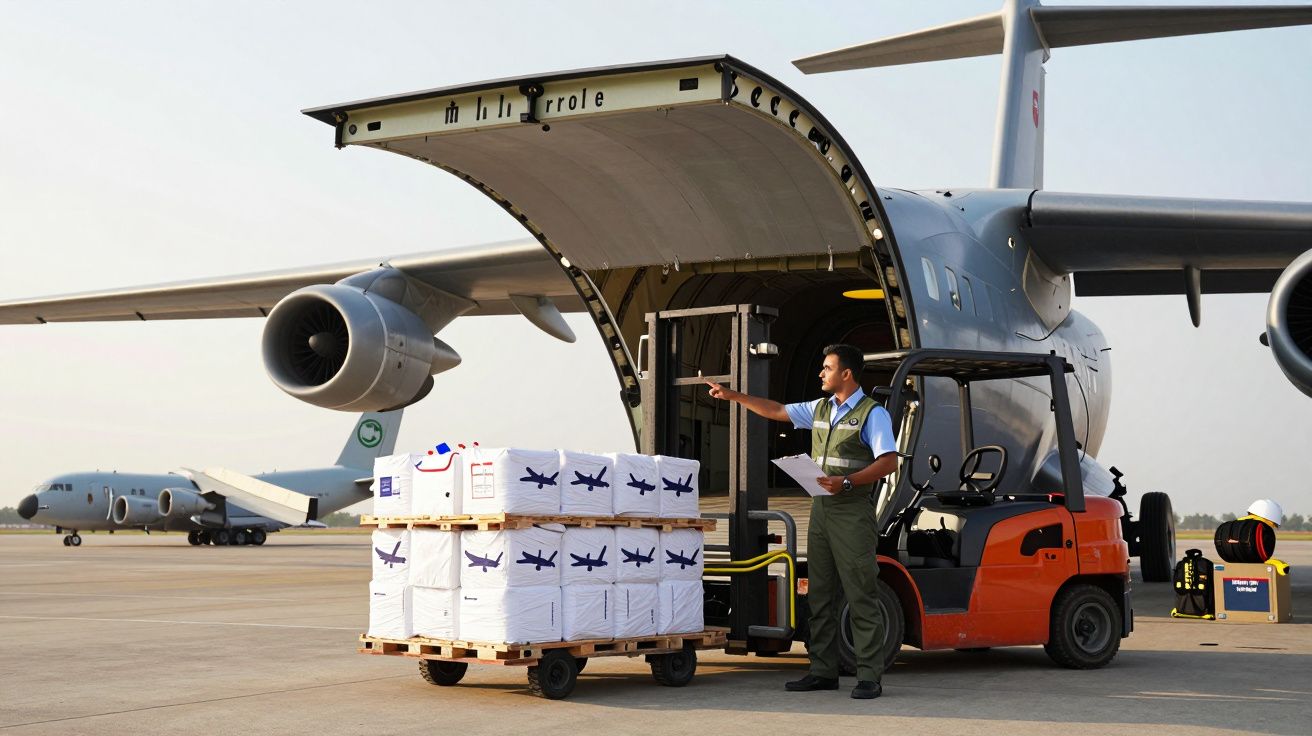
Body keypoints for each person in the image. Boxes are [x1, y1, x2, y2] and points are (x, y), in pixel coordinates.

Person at [706, 343, 897, 700]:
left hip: (852, 511)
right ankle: (823, 670)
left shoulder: (873, 414)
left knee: (860, 593)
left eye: (827, 368)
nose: (821, 373)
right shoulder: (821, 408)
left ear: (847, 374)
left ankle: (870, 675)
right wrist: (733, 396)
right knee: (819, 594)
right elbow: (776, 410)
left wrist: (848, 481)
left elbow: (889, 461)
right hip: (822, 510)